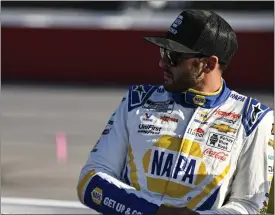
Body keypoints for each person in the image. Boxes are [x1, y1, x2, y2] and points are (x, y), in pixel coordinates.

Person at [77, 9, 274, 214]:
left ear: (208, 64)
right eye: (163, 52)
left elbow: (252, 206)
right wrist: (154, 211)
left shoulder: (254, 119)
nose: (162, 63)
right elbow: (90, 181)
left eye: (174, 56)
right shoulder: (136, 101)